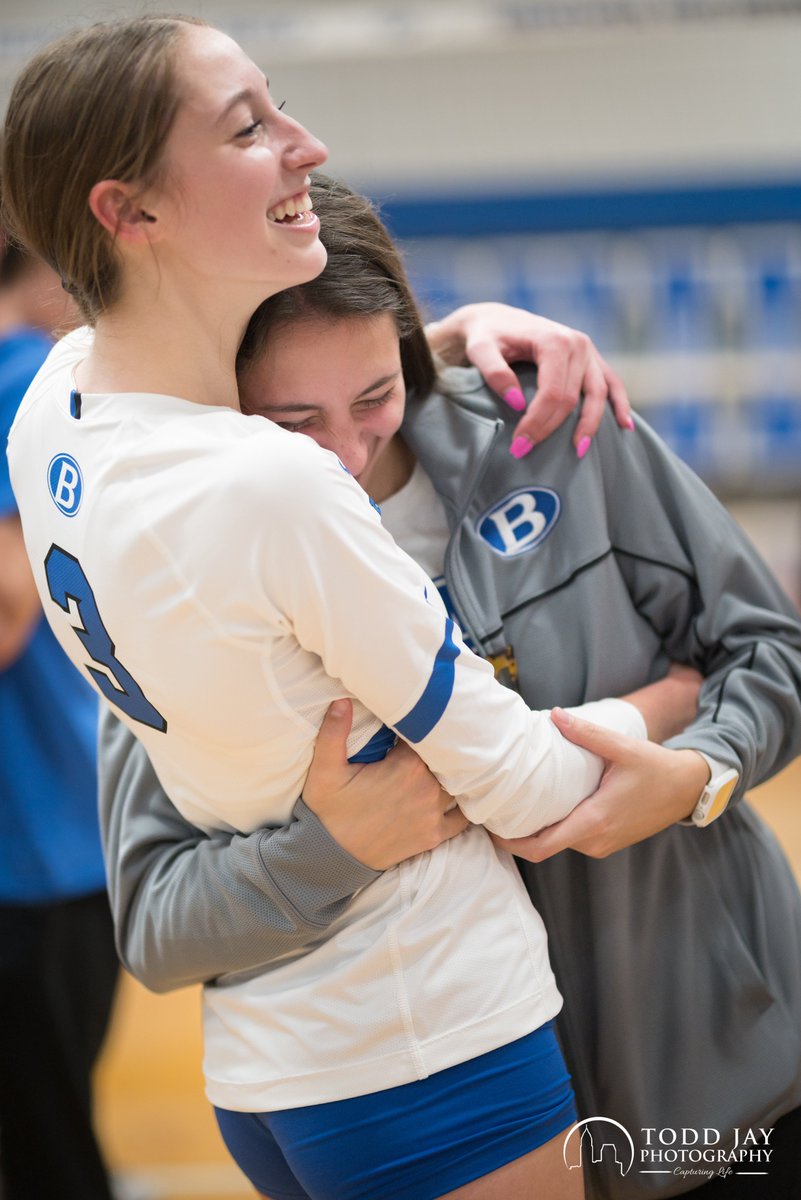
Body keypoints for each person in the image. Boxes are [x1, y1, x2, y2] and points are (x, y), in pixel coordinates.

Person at [1, 17, 699, 1200]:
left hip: (275, 1069)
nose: (304, 145)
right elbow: (526, 790)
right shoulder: (272, 487)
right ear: (129, 212)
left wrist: (437, 353)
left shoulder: (55, 402)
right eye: (248, 127)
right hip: (433, 1048)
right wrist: (676, 718)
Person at [100, 174, 801, 1200]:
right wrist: (333, 848)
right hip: (456, 1115)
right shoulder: (187, 563)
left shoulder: (549, 419)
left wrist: (700, 770)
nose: (343, 453)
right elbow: (159, 924)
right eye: (293, 422)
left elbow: (771, 654)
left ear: (412, 345)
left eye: (375, 396)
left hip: (715, 1075)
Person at [0, 197, 118, 1197]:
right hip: (47, 854)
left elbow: (3, 614)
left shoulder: (18, 384)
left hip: (34, 864)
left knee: (46, 1162)